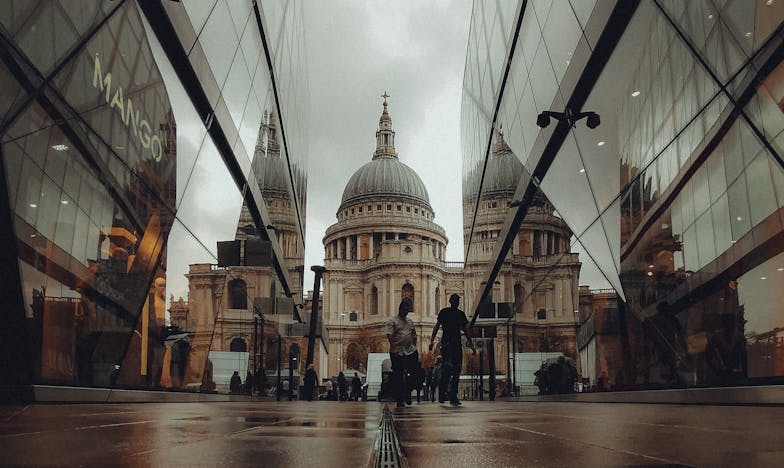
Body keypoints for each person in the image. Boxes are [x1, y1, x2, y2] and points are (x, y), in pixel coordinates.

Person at [429, 294, 472, 405]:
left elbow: (437, 326)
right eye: (457, 300)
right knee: (456, 370)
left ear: (450, 301)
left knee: (446, 368)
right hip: (455, 344)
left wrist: (432, 340)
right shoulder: (460, 314)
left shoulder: (444, 312)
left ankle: (443, 393)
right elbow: (466, 330)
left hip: (446, 344)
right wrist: (470, 342)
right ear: (457, 302)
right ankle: (452, 395)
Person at [385, 297, 420, 408]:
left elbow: (414, 334)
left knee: (416, 373)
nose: (406, 312)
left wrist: (414, 345)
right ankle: (400, 399)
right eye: (404, 310)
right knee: (398, 376)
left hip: (410, 351)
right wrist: (393, 347)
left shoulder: (410, 321)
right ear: (400, 309)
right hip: (397, 352)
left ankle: (408, 391)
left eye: (407, 310)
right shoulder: (392, 321)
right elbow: (389, 335)